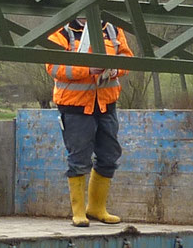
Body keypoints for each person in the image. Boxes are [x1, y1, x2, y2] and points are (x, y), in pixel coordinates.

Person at [45, 14, 134, 226]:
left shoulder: (112, 28)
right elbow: (53, 67)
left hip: (106, 104)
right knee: (78, 159)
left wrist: (113, 69)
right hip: (75, 107)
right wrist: (87, 70)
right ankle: (78, 213)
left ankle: (96, 209)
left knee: (109, 156)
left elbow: (127, 58)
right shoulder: (61, 32)